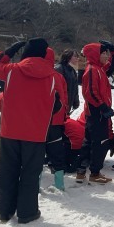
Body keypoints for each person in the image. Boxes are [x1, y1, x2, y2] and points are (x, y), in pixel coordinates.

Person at [0, 38, 62, 223]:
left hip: (10, 130)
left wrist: (10, 50)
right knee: (30, 173)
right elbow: (58, 105)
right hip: (36, 133)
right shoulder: (53, 76)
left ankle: (5, 211)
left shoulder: (11, 70)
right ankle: (27, 212)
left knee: (7, 171)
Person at [76, 40, 114, 185]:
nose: (106, 56)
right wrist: (103, 107)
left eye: (107, 53)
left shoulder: (99, 68)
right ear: (95, 55)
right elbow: (90, 93)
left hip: (96, 111)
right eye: (104, 53)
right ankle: (95, 173)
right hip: (96, 112)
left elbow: (112, 65)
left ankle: (81, 171)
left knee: (89, 141)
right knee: (100, 143)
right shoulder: (92, 70)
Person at [45, 47, 68, 190]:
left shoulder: (35, 75)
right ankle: (59, 184)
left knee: (36, 153)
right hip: (57, 120)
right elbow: (64, 98)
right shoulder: (59, 76)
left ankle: (35, 183)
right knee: (57, 152)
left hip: (39, 121)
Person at [54, 49, 81, 115]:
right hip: (59, 105)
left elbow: (75, 88)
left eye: (77, 56)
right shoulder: (59, 68)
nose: (77, 58)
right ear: (68, 56)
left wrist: (76, 100)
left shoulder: (72, 71)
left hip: (68, 104)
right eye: (75, 56)